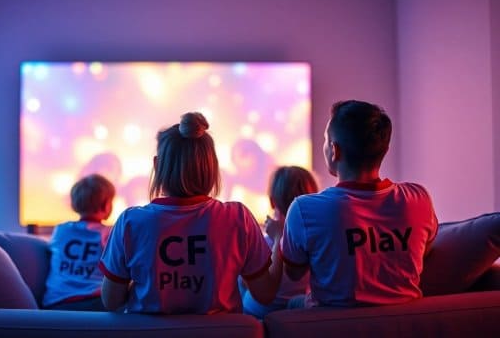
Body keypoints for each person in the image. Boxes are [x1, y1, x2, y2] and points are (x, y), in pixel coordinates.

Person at [99, 112, 282, 314]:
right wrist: (279, 238)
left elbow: (111, 301)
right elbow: (265, 294)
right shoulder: (239, 218)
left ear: (157, 166)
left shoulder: (130, 222)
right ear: (212, 167)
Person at [281, 100, 438, 308]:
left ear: (334, 150)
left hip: (332, 324)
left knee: (291, 304)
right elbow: (424, 252)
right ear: (384, 149)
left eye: (326, 140)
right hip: (403, 322)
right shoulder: (419, 199)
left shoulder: (304, 209)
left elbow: (294, 272)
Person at [242, 166, 318, 318]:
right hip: (301, 309)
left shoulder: (266, 243)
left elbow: (252, 284)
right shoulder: (316, 238)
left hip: (260, 312)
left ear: (272, 201)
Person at [42, 174, 115, 310]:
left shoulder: (61, 230)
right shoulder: (110, 233)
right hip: (95, 302)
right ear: (106, 205)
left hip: (55, 303)